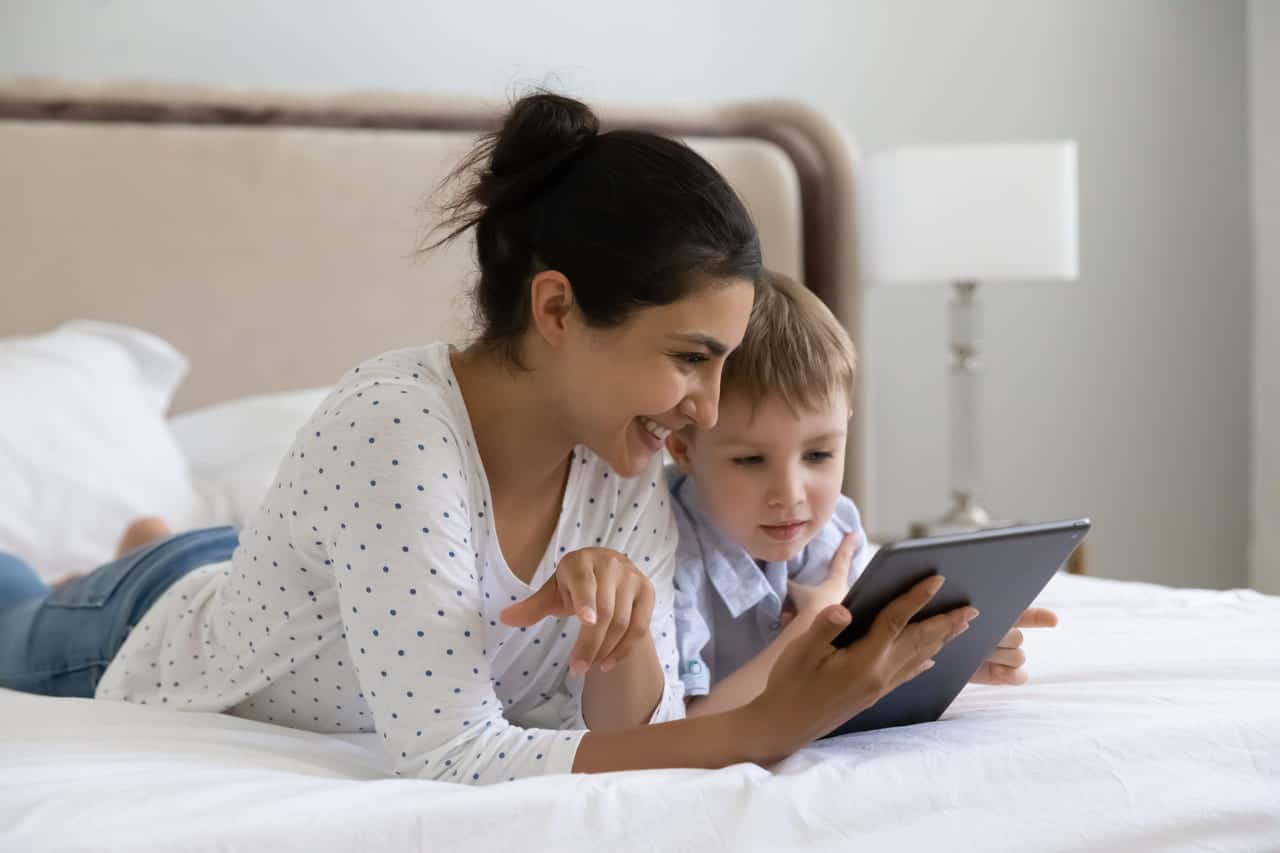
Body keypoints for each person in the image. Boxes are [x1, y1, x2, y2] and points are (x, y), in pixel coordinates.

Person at [0, 93, 975, 785]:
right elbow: (451, 754)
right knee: (16, 592)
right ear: (555, 307)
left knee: (213, 553)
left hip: (290, 583)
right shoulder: (395, 429)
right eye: (689, 357)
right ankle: (132, 555)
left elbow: (639, 730)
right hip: (129, 639)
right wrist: (772, 723)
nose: (708, 410)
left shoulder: (625, 450)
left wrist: (627, 640)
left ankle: (151, 539)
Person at [665, 271, 1058, 718]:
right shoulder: (664, 549)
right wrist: (810, 631)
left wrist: (944, 654)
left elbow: (852, 668)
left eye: (819, 454)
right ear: (682, 448)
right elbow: (689, 725)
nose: (791, 495)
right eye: (751, 461)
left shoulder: (835, 530)